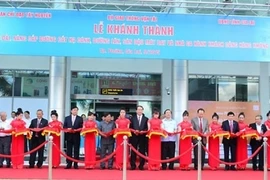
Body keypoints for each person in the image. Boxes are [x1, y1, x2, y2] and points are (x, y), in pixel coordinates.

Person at [130, 105, 148, 170]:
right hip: (134, 136)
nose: (139, 111)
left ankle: (141, 165)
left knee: (142, 151)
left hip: (142, 137)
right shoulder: (132, 118)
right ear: (136, 111)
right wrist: (134, 131)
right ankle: (133, 165)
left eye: (141, 109)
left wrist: (143, 131)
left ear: (142, 111)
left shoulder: (146, 119)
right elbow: (130, 127)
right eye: (138, 109)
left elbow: (147, 128)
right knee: (133, 151)